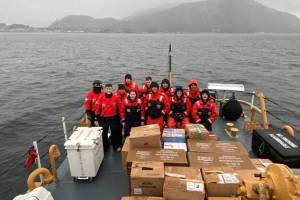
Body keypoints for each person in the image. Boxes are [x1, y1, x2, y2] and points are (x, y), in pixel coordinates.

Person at [95, 84, 122, 151]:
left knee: (115, 132)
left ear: (112, 89)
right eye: (107, 88)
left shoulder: (115, 97)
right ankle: (105, 147)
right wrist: (96, 118)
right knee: (104, 133)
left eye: (110, 88)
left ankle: (115, 146)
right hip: (104, 118)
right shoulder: (101, 97)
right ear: (104, 89)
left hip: (113, 117)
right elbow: (97, 108)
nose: (108, 90)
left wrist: (121, 117)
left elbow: (119, 108)